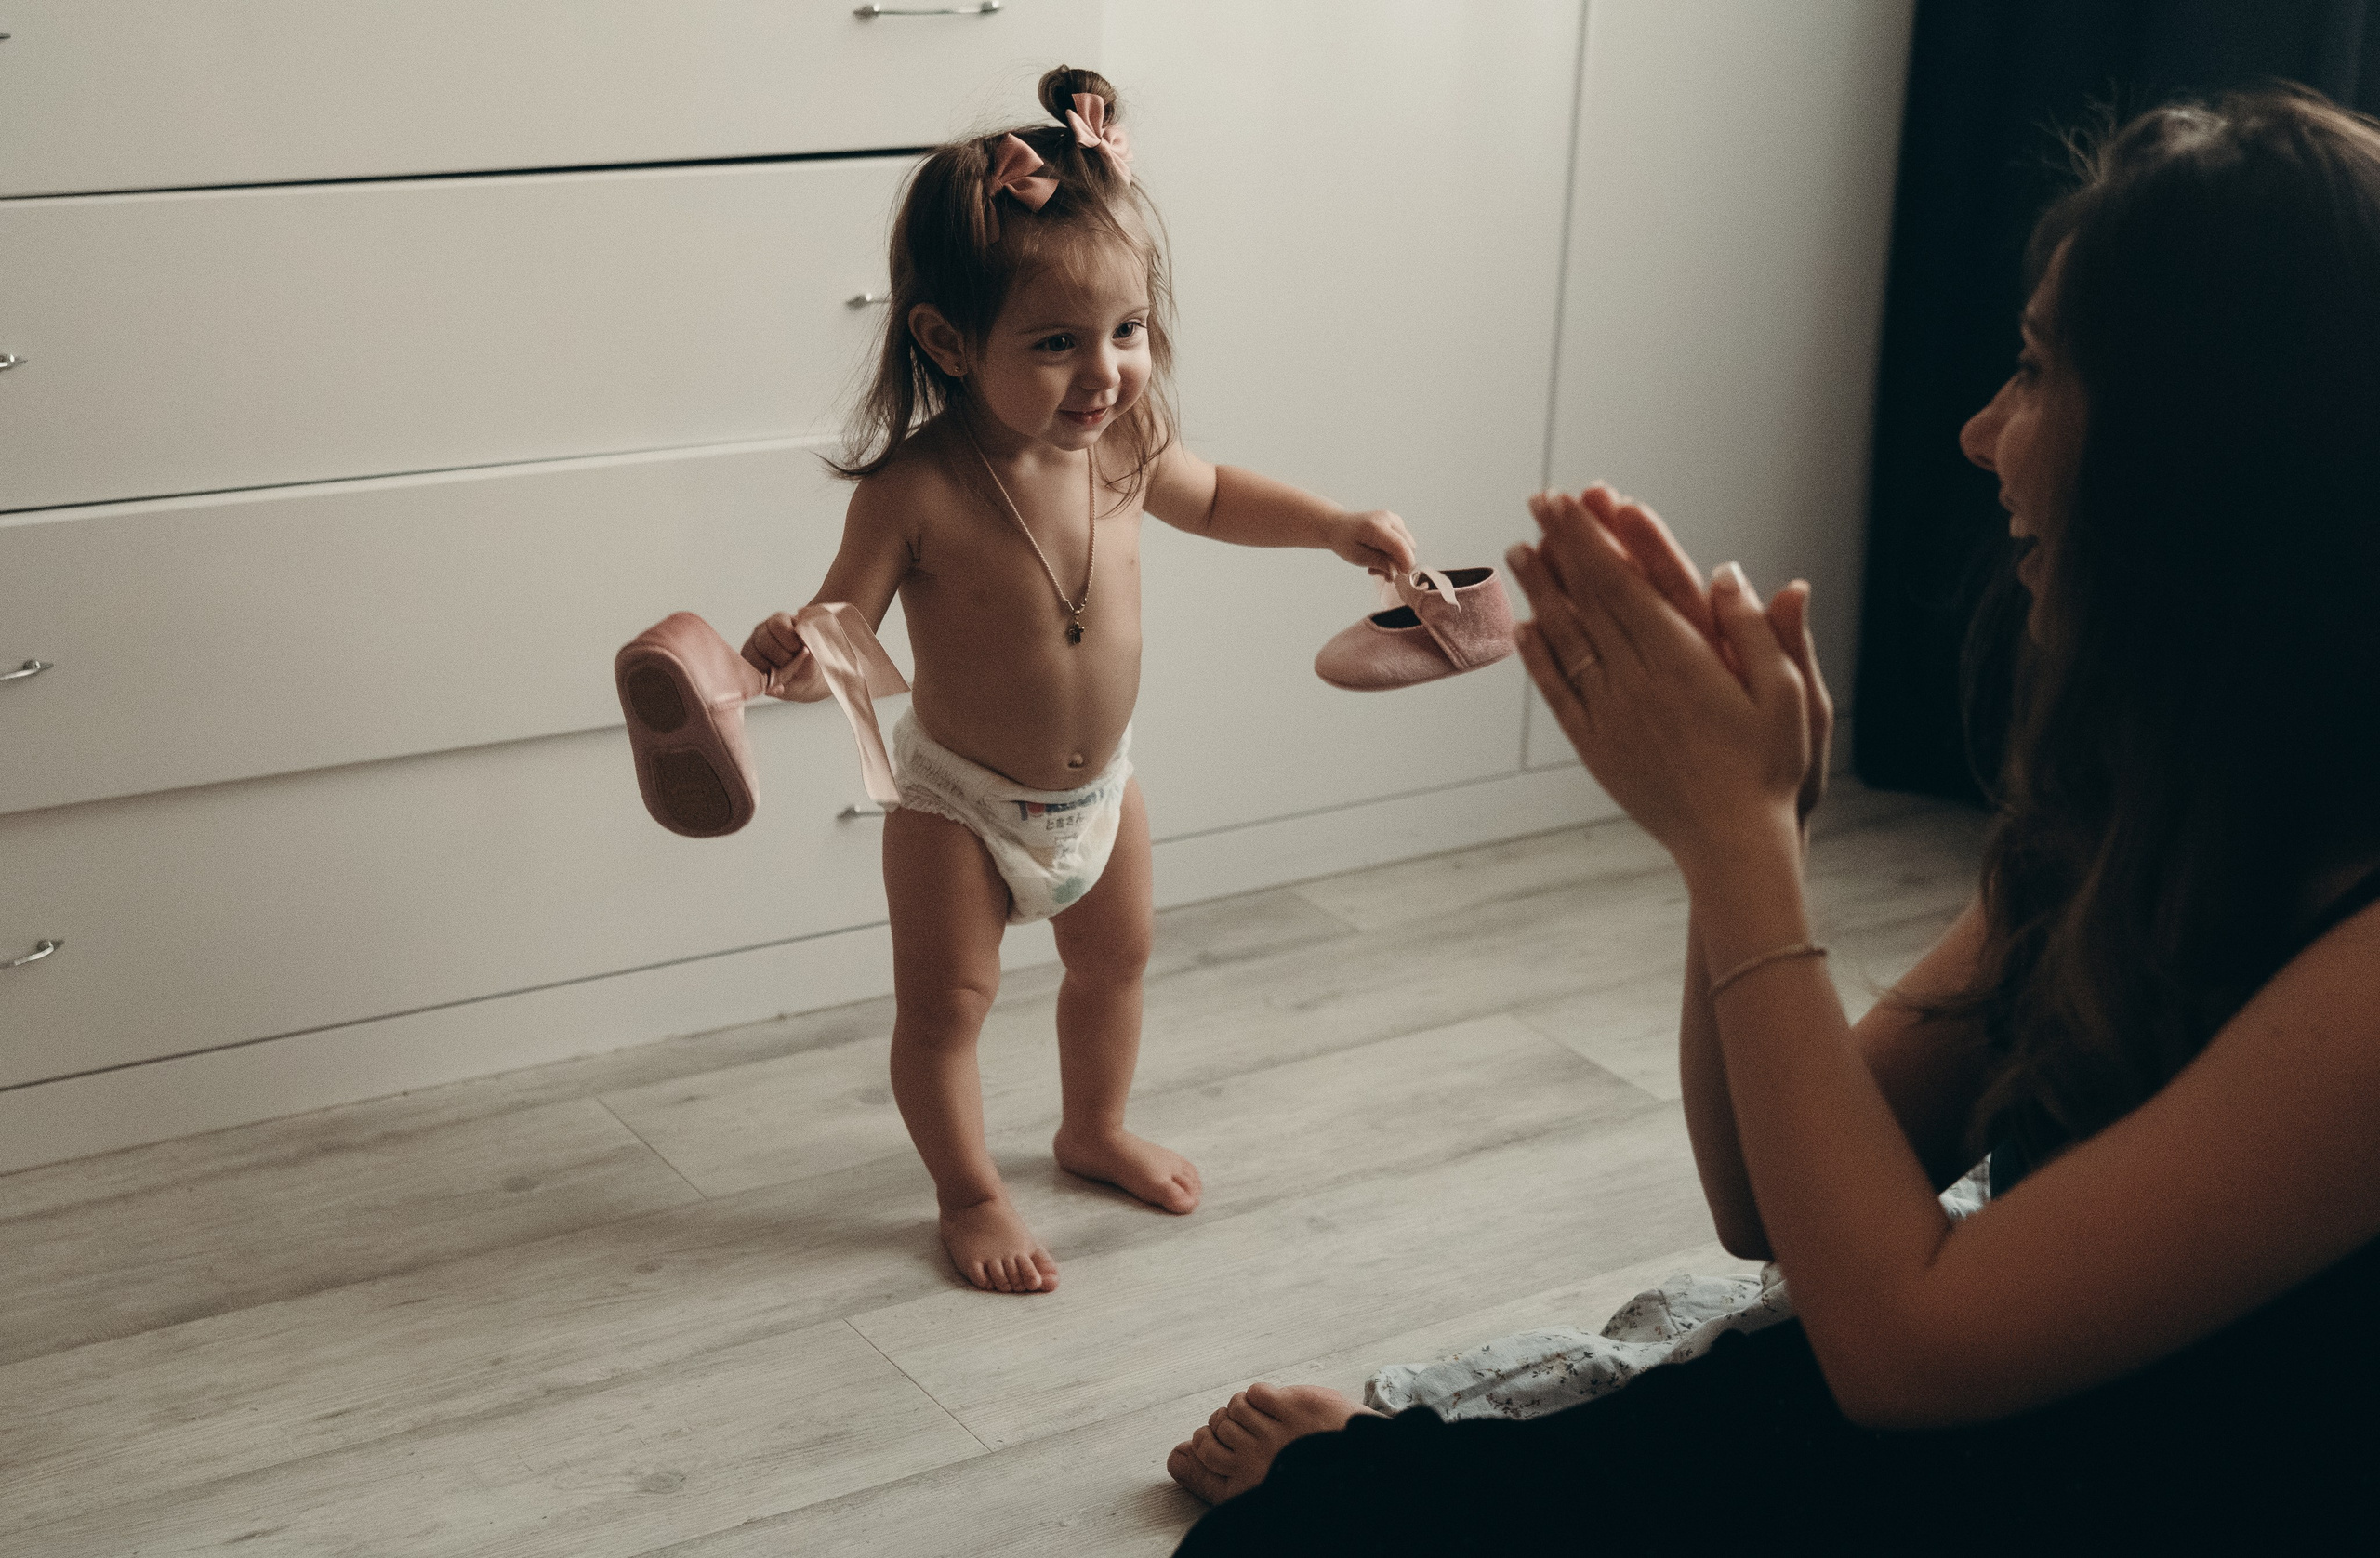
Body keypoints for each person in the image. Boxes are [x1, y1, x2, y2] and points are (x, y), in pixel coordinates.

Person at [1167, 86, 2380, 1550]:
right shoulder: (2141, 800)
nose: (1981, 433)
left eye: (2043, 375)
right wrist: (1748, 836)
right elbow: (1765, 1205)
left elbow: (1904, 1345)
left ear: (2216, 461)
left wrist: (1739, 843)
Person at [740, 67, 1420, 1296]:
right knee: (948, 1006)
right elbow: (845, 632)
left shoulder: (1123, 442)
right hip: (960, 803)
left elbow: (1214, 496)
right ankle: (969, 1190)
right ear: (947, 341)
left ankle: (1090, 1127)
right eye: (1055, 345)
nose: (1104, 373)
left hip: (1101, 793)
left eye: (1128, 332)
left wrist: (1330, 524)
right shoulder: (921, 488)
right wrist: (786, 657)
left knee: (1117, 964)